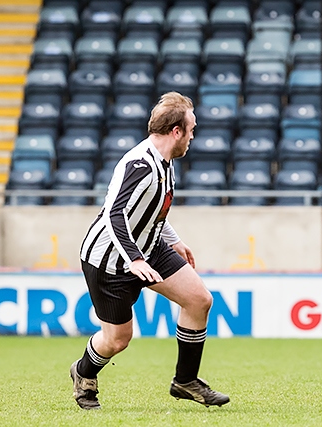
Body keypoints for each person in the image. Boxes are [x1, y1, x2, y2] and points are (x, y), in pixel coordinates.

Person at [70, 92, 229, 409]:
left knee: (199, 300)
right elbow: (115, 214)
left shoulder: (165, 161)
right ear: (176, 132)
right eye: (192, 129)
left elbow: (152, 211)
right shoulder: (140, 164)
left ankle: (185, 381)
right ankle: (83, 373)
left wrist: (174, 239)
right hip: (110, 261)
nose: (193, 136)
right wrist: (135, 259)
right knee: (117, 340)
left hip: (147, 248)